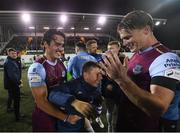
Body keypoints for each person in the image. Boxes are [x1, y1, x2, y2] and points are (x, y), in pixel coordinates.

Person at [100, 10, 180, 131]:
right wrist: (114, 78)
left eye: (127, 37)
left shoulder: (166, 57)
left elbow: (158, 108)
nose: (124, 43)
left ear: (146, 30)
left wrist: (121, 79)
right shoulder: (137, 54)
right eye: (122, 39)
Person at [27, 29, 81, 131]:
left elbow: (71, 83)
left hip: (61, 116)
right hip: (45, 119)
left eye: (62, 45)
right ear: (45, 44)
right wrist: (66, 118)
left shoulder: (61, 63)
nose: (61, 49)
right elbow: (40, 101)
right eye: (57, 44)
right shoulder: (36, 68)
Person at [48, 61, 103, 132]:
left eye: (101, 74)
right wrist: (74, 102)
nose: (100, 77)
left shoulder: (95, 88)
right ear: (86, 75)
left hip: (81, 126)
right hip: (67, 129)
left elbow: (95, 101)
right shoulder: (74, 85)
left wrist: (94, 110)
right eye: (97, 74)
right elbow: (53, 94)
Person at [103, 41, 124, 132]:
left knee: (117, 112)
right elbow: (103, 76)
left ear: (118, 48)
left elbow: (125, 75)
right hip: (109, 90)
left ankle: (114, 128)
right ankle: (109, 128)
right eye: (108, 48)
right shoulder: (105, 60)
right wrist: (106, 85)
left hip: (120, 89)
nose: (109, 50)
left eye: (111, 48)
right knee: (109, 110)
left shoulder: (123, 59)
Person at [3, 48, 22, 121]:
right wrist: (19, 82)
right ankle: (17, 116)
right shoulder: (10, 62)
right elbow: (12, 76)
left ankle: (10, 110)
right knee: (17, 100)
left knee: (11, 97)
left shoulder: (11, 61)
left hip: (11, 84)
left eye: (15, 53)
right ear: (8, 54)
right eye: (12, 53)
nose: (14, 55)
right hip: (13, 85)